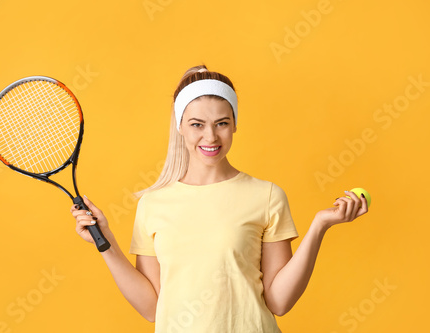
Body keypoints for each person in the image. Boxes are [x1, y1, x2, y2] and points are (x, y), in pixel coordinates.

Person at [70, 65, 369, 333]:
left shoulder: (266, 196)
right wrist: (106, 241)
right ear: (180, 127)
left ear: (235, 124)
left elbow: (279, 302)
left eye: (222, 123)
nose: (211, 137)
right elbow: (151, 308)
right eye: (197, 124)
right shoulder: (153, 204)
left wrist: (319, 226)